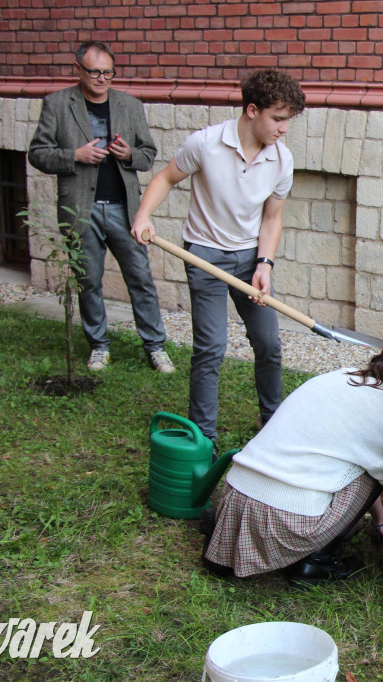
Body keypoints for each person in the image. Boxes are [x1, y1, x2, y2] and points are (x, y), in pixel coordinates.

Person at [131, 69, 305, 442]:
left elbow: (272, 218)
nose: (284, 129)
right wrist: (144, 216)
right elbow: (165, 178)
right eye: (278, 118)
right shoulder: (206, 143)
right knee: (211, 349)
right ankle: (202, 438)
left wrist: (265, 263)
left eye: (288, 120)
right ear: (252, 110)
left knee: (269, 344)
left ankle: (271, 423)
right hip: (204, 256)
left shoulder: (282, 159)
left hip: (249, 258)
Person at [201, 330, 383, 584]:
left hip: (236, 495)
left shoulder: (342, 376)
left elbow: (361, 456)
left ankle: (228, 539)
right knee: (379, 470)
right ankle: (316, 563)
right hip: (284, 519)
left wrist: (379, 522)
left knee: (366, 462)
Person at [28, 41, 173, 374]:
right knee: (88, 281)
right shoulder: (57, 104)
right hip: (82, 209)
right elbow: (37, 153)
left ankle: (155, 346)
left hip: (125, 209)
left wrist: (128, 155)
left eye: (108, 72)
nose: (102, 78)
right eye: (95, 71)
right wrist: (73, 156)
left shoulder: (130, 105)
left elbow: (148, 155)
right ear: (77, 69)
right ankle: (99, 346)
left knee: (140, 279)